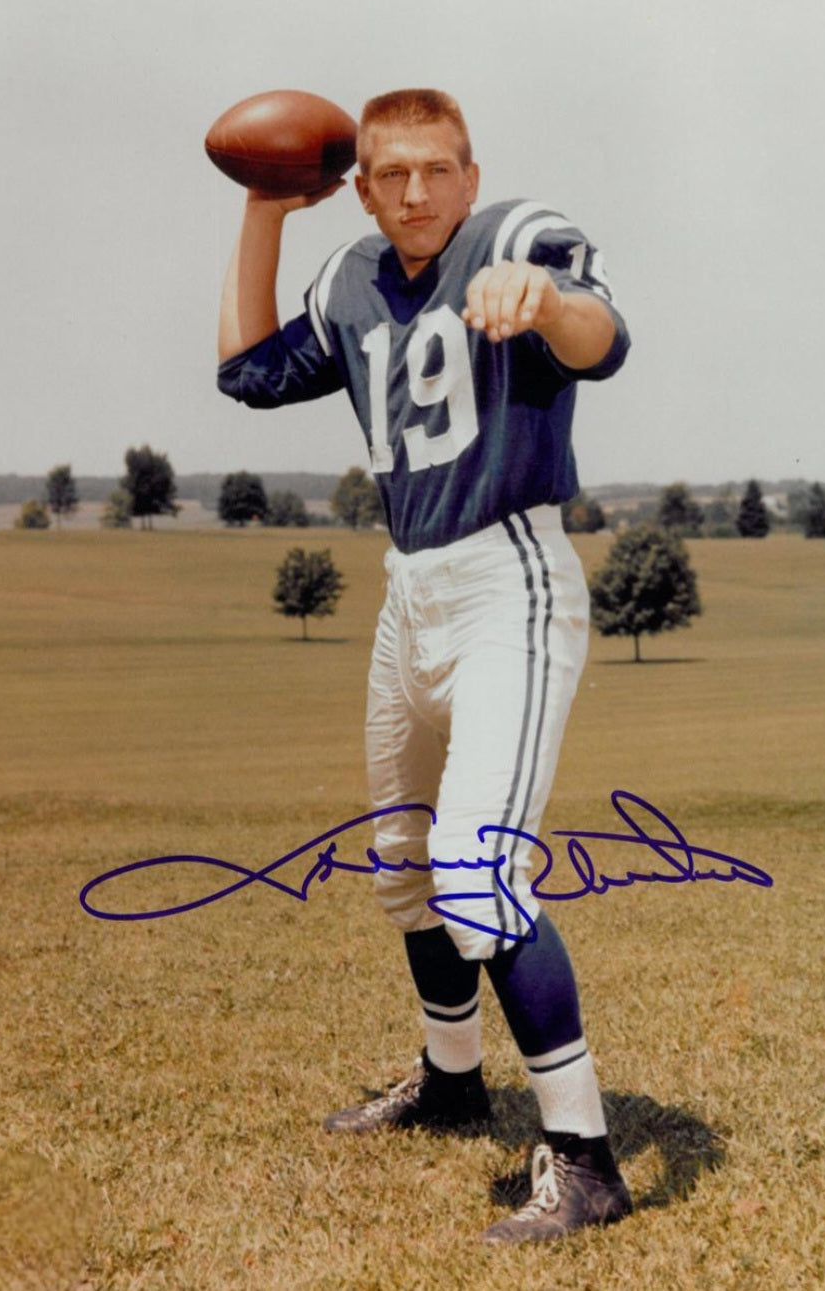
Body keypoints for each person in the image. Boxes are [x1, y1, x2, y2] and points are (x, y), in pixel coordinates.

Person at [217, 88, 632, 1243]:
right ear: (360, 184)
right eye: (389, 173)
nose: (414, 193)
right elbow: (247, 372)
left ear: (468, 169)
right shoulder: (351, 276)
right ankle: (452, 1082)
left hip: (509, 578)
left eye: (435, 170)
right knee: (403, 861)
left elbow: (601, 335)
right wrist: (262, 209)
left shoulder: (511, 238)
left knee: (474, 869)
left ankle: (585, 1158)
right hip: (411, 585)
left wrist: (543, 303)